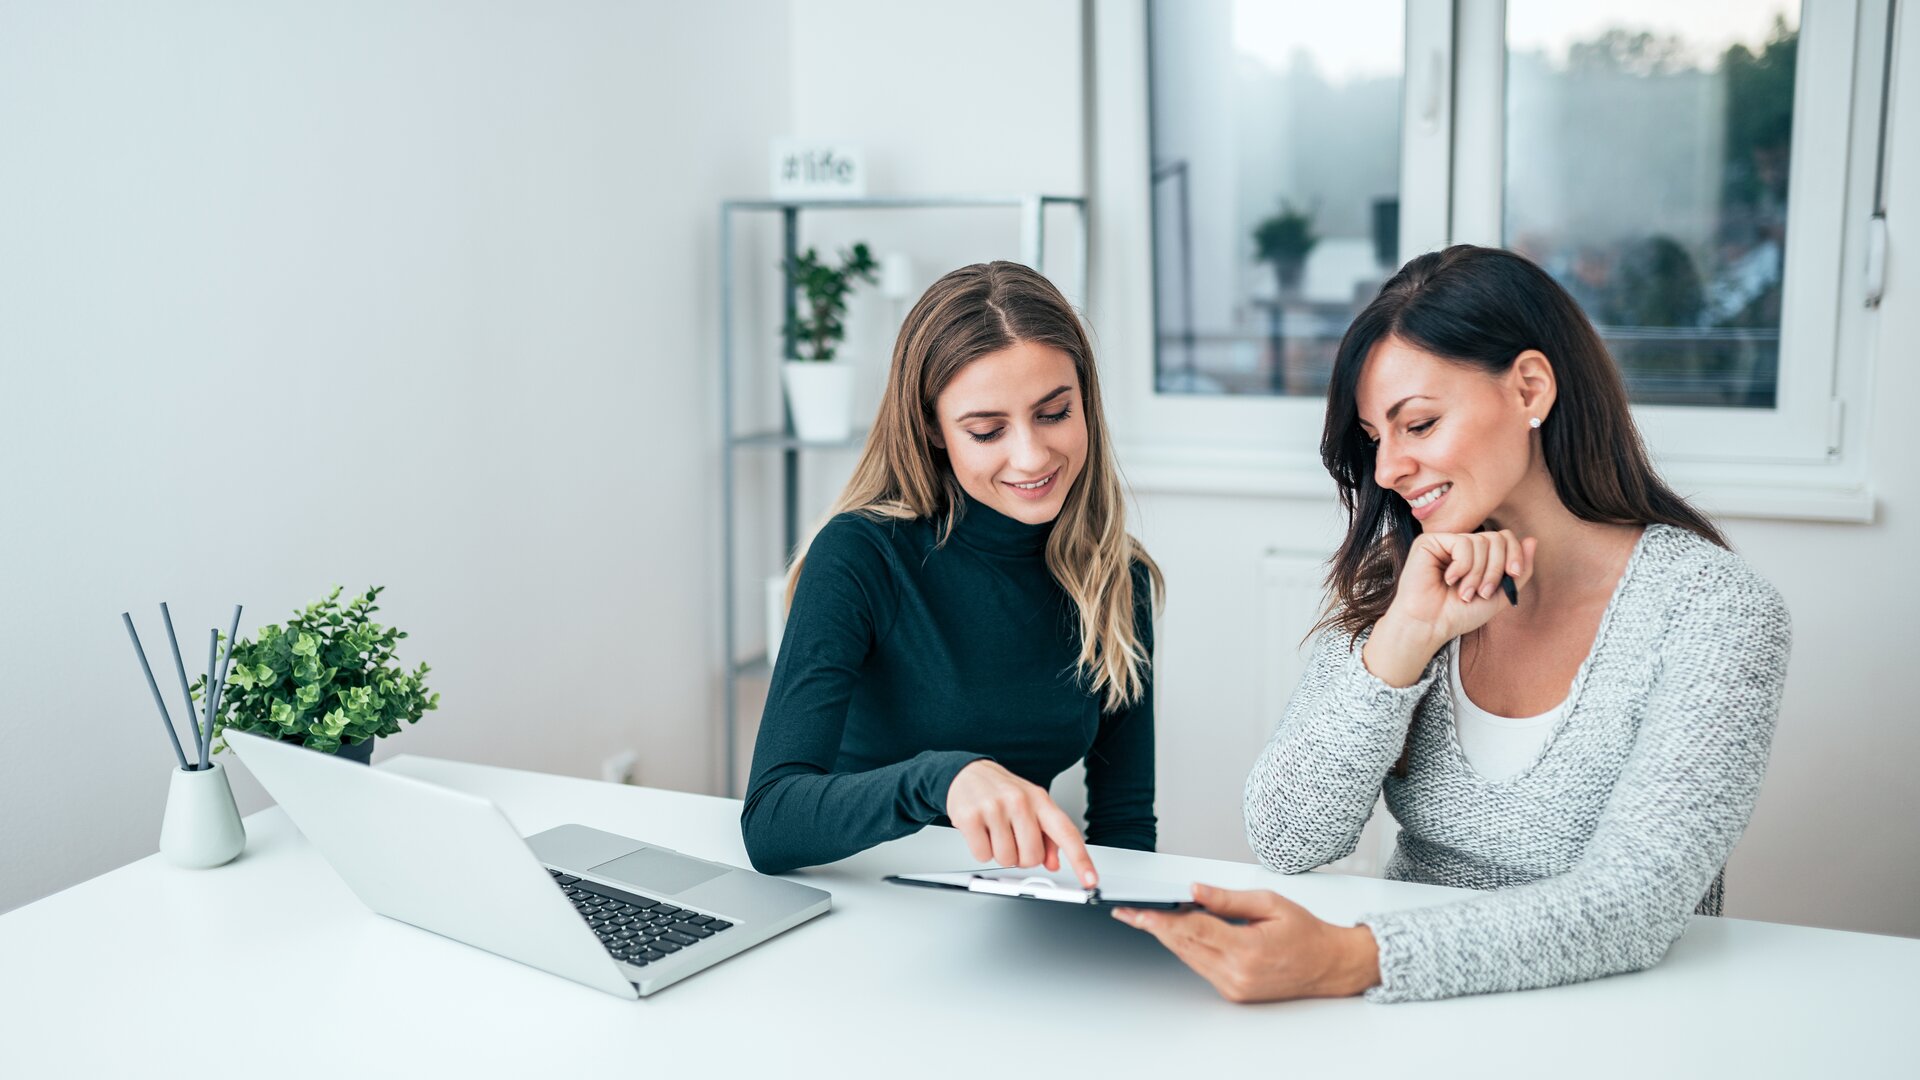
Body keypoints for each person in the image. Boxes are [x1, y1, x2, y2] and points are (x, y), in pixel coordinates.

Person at [1116, 245, 1790, 1004]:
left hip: (1611, 1019)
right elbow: (1287, 835)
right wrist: (1403, 640)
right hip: (1407, 1015)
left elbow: (1633, 905)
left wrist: (1355, 958)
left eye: (1420, 424)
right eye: (1375, 438)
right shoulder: (1408, 582)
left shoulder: (1713, 608)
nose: (1388, 470)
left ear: (1530, 387)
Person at [740, 261, 1162, 886]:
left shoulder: (1113, 575)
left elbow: (1125, 823)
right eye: (987, 430)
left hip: (1011, 910)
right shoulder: (859, 555)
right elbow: (771, 822)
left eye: (1054, 414)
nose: (1032, 455)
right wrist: (942, 778)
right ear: (933, 430)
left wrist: (1119, 932)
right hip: (859, 898)